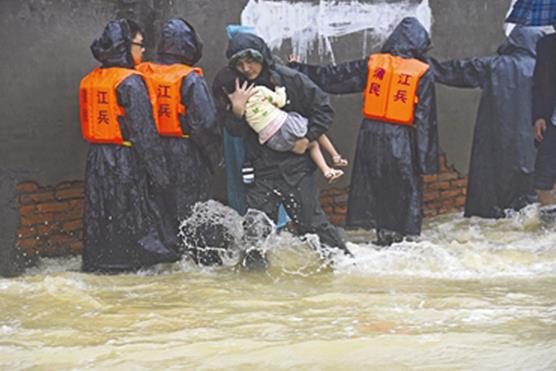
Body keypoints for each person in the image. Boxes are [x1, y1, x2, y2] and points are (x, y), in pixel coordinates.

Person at [289, 17, 439, 246]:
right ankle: (402, 242)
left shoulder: (373, 63)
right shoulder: (422, 71)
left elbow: (335, 77)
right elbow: (425, 118)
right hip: (401, 137)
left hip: (370, 134)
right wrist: (426, 160)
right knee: (404, 188)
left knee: (375, 185)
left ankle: (382, 237)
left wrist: (299, 69)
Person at [213, 32, 352, 259]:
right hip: (261, 170)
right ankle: (253, 284)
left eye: (251, 61)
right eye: (240, 64)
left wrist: (307, 140)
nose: (247, 68)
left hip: (296, 167)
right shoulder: (234, 86)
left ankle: (343, 265)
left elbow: (323, 110)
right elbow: (234, 130)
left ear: (262, 57)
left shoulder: (290, 79)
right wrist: (236, 111)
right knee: (255, 232)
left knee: (312, 224)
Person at [80, 19, 178, 272]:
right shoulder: (131, 82)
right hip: (125, 157)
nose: (143, 51)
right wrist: (161, 175)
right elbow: (144, 133)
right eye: (139, 44)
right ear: (124, 46)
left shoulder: (92, 78)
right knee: (132, 211)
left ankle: (102, 263)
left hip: (97, 158)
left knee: (101, 212)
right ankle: (132, 266)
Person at [430, 26, 544, 218]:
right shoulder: (543, 70)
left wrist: (424, 65)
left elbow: (457, 70)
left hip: (494, 144)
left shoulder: (493, 66)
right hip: (530, 149)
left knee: (491, 204)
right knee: (527, 208)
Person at [136, 19, 221, 248]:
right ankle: (197, 256)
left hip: (148, 150)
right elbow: (205, 124)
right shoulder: (190, 78)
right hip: (184, 152)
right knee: (192, 210)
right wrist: (214, 157)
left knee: (158, 208)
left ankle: (167, 254)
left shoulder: (142, 72)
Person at [217, 66, 347, 183]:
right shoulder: (259, 91)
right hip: (285, 125)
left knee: (310, 144)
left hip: (272, 141)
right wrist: (279, 88)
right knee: (313, 131)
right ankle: (333, 159)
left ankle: (328, 169)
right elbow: (281, 101)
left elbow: (237, 130)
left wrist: (237, 112)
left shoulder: (236, 107)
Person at [532, 29, 556, 219]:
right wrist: (538, 116)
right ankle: (550, 231)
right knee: (542, 180)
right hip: (553, 123)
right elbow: (540, 82)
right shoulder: (547, 45)